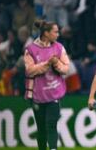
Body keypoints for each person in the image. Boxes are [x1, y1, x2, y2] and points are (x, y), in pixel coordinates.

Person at [24, 20, 70, 150]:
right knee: (41, 128)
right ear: (46, 33)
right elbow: (30, 70)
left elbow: (66, 68)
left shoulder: (59, 47)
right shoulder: (30, 50)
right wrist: (47, 64)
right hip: (37, 95)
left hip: (54, 93)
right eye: (55, 32)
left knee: (51, 124)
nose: (58, 34)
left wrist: (56, 64)